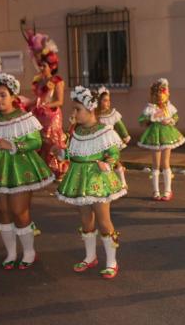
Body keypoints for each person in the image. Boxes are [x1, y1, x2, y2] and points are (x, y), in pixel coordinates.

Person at [0, 73, 54, 270]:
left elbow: (36, 142)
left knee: (19, 211)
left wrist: (12, 145)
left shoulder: (24, 118)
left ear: (13, 96)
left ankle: (29, 252)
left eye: (3, 95)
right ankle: (11, 253)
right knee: (3, 211)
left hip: (21, 169)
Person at [55, 86, 126, 278]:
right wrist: (60, 151)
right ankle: (90, 256)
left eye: (77, 109)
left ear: (90, 109)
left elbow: (113, 152)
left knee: (103, 221)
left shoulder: (105, 131)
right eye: (74, 109)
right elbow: (71, 153)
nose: (74, 113)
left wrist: (108, 164)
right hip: (79, 180)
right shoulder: (76, 131)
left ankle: (111, 261)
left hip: (97, 181)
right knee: (86, 220)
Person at [25, 30, 69, 181]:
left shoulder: (57, 80)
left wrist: (46, 105)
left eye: (44, 65)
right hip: (39, 115)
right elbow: (37, 98)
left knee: (53, 143)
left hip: (52, 116)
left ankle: (59, 171)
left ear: (51, 66)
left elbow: (60, 101)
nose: (41, 68)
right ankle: (43, 171)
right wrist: (25, 103)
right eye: (40, 65)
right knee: (40, 143)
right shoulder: (38, 80)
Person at [138, 78, 185, 201]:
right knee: (155, 164)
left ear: (166, 94)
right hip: (154, 136)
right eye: (157, 96)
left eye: (162, 95)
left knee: (165, 163)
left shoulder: (168, 107)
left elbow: (176, 116)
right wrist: (152, 118)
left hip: (167, 135)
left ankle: (168, 190)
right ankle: (155, 190)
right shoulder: (150, 107)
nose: (160, 98)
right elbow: (141, 120)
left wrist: (170, 120)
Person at [97, 86, 131, 188]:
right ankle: (106, 182)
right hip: (99, 142)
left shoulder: (113, 114)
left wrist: (125, 135)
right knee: (102, 162)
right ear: (99, 101)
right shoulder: (95, 115)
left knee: (115, 161)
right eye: (104, 101)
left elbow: (120, 125)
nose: (107, 103)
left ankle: (123, 182)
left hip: (111, 141)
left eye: (108, 101)